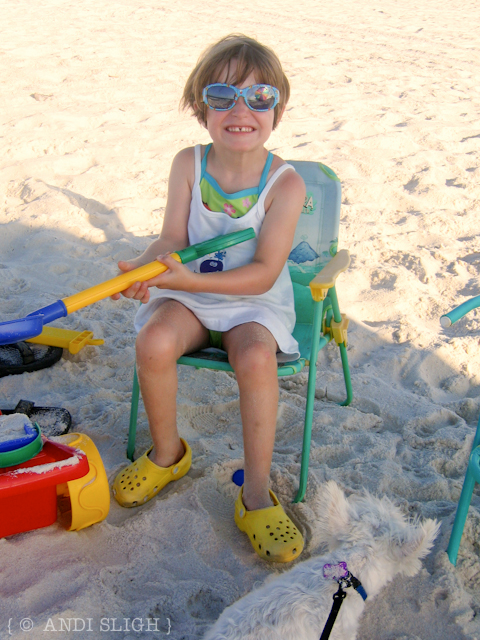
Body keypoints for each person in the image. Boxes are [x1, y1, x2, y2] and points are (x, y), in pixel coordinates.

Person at [112, 34, 306, 563]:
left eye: (258, 97)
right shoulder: (188, 164)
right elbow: (173, 237)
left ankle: (257, 493)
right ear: (202, 110)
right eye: (222, 96)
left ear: (277, 111)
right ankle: (169, 454)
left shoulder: (286, 186)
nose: (240, 110)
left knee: (255, 358)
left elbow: (265, 274)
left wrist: (188, 281)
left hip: (254, 303)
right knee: (153, 341)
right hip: (191, 297)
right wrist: (152, 265)